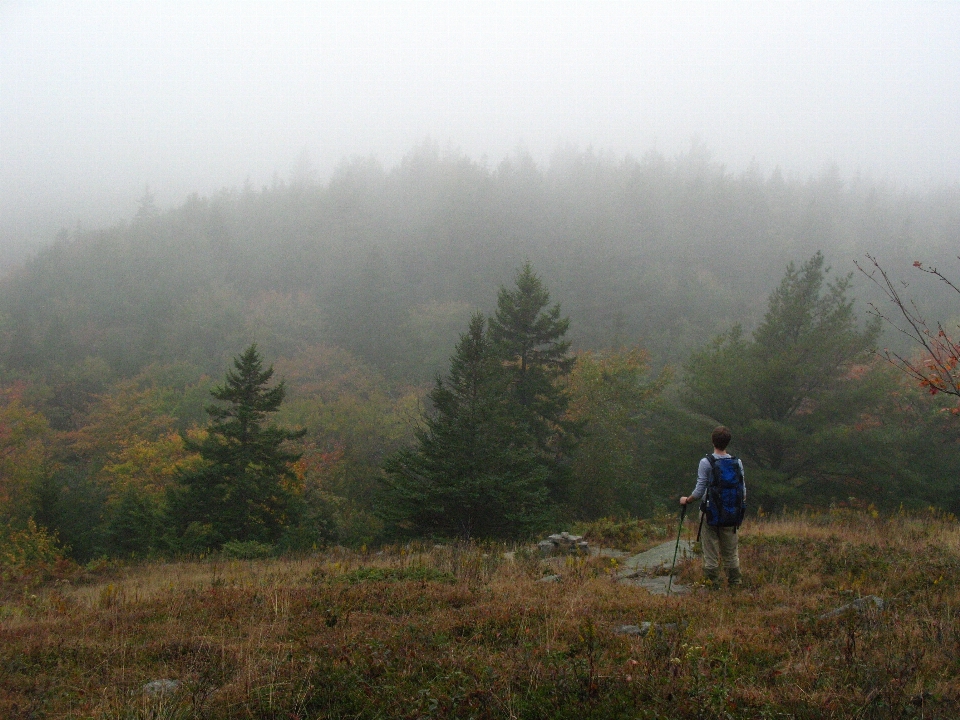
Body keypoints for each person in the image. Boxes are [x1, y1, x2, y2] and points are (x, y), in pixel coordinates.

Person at [680, 426, 744, 587]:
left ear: (713, 441)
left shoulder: (706, 462)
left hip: (709, 512)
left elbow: (700, 490)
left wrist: (687, 500)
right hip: (731, 514)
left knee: (710, 552)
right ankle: (735, 583)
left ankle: (712, 585)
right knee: (731, 552)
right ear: (728, 442)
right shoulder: (737, 462)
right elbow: (743, 491)